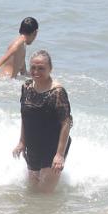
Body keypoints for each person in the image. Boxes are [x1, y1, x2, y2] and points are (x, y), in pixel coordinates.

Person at [12, 50, 71, 192]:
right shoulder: (26, 87)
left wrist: (59, 155)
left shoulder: (57, 92)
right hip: (33, 144)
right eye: (33, 67)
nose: (36, 71)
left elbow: (66, 123)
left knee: (45, 193)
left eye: (41, 68)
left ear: (50, 69)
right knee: (33, 190)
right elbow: (25, 117)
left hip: (53, 146)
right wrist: (22, 142)